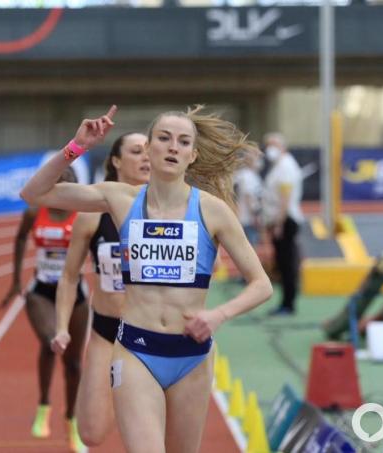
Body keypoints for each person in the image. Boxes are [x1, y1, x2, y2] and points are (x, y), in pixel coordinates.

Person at [21, 105, 273, 453]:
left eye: (183, 142)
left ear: (192, 155)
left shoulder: (213, 211)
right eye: (164, 139)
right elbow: (33, 194)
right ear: (149, 149)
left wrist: (217, 315)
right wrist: (77, 147)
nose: (173, 147)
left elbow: (262, 285)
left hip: (192, 357)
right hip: (136, 352)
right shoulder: (120, 199)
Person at [50, 132, 150, 447]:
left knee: (153, 436)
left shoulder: (169, 211)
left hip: (155, 332)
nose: (146, 157)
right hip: (108, 330)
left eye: (150, 150)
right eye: (137, 151)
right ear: (116, 161)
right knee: (91, 431)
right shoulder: (93, 216)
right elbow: (68, 277)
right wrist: (62, 327)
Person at [0, 166, 89, 453]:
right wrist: (15, 281)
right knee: (51, 342)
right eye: (62, 179)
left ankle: (71, 420)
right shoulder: (35, 212)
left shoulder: (85, 217)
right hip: (42, 289)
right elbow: (21, 238)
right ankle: (44, 405)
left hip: (76, 293)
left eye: (73, 181)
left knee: (74, 363)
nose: (68, 185)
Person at [262, 132, 304, 315]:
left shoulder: (286, 166)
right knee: (282, 263)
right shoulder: (279, 165)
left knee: (287, 264)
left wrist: (279, 222)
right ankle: (286, 302)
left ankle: (288, 304)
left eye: (273, 145)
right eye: (267, 145)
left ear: (282, 147)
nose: (269, 149)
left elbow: (285, 197)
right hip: (280, 219)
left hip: (286, 220)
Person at [233, 147, 264, 247]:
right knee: (251, 247)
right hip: (247, 219)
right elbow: (248, 197)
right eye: (257, 157)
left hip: (246, 218)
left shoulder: (250, 175)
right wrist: (255, 216)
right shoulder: (247, 175)